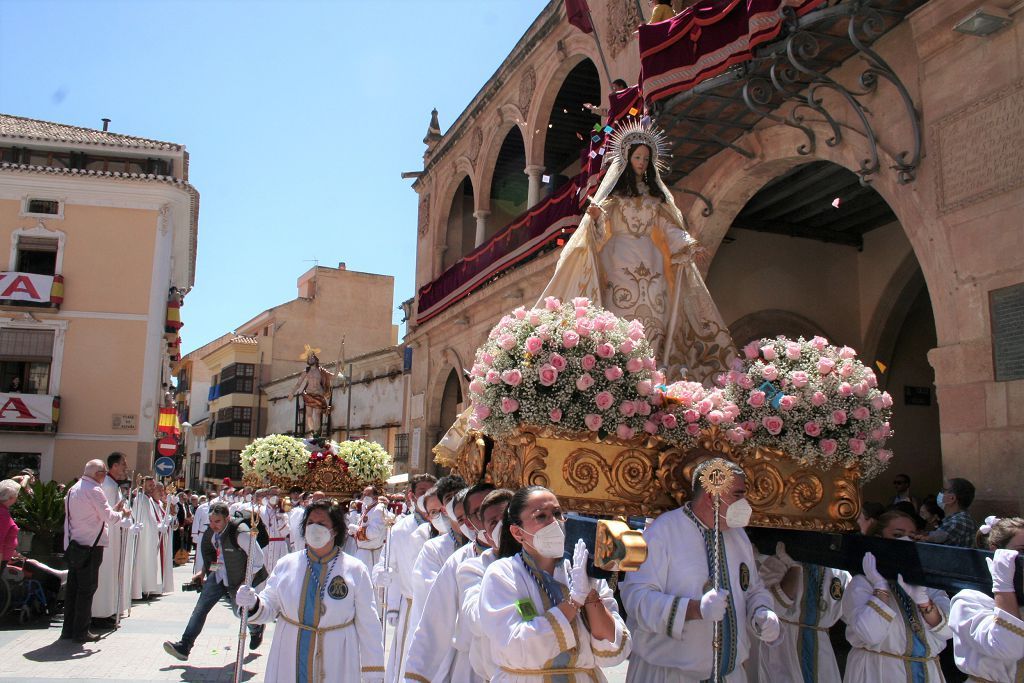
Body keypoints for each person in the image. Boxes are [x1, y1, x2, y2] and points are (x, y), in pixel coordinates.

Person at [537, 118, 735, 383]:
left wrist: (687, 242)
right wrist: (596, 217)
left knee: (655, 309)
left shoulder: (655, 199)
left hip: (651, 260)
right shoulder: (614, 197)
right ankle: (620, 369)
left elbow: (666, 226)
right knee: (620, 307)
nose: (642, 162)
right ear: (627, 158)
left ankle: (651, 369)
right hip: (619, 258)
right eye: (638, 157)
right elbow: (600, 231)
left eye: (646, 158)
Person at [621, 458, 780, 682]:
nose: (744, 502)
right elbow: (636, 599)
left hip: (729, 675)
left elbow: (753, 589)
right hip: (669, 675)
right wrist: (694, 609)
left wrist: (762, 611)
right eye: (737, 495)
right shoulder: (664, 531)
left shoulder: (739, 536)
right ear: (710, 497)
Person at [478, 485, 631, 681]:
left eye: (558, 513)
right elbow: (515, 645)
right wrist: (574, 602)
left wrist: (590, 592)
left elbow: (614, 650)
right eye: (541, 516)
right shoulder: (502, 574)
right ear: (517, 533)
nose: (554, 523)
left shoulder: (580, 570)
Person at [235, 500, 385, 682]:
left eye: (321, 524)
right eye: (310, 523)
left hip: (337, 658)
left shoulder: (355, 569)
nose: (314, 528)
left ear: (335, 530)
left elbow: (369, 624)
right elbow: (269, 607)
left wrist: (373, 672)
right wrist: (252, 603)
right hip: (290, 655)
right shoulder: (286, 565)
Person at [842, 510, 952, 681]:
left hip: (927, 670)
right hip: (880, 671)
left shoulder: (926, 584)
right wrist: (880, 588)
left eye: (912, 536)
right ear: (879, 539)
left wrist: (923, 602)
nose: (906, 541)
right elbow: (870, 634)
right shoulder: (862, 584)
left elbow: (948, 631)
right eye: (898, 535)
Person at [404, 482, 495, 682]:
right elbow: (434, 622)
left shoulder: (528, 555)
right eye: (476, 514)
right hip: (470, 667)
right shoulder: (459, 560)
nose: (487, 519)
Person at [163, 502, 266, 661]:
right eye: (211, 521)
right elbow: (214, 556)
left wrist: (246, 581)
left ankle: (256, 628)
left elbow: (258, 559)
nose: (213, 525)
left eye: (217, 521)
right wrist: (202, 572)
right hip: (218, 574)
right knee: (200, 608)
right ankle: (184, 646)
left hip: (238, 579)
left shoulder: (240, 533)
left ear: (227, 518)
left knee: (239, 612)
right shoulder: (211, 532)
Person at [372, 472, 436, 683]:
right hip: (412, 605)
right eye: (422, 492)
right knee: (408, 658)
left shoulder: (445, 526)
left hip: (439, 606)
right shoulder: (400, 529)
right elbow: (386, 562)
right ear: (411, 496)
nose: (427, 496)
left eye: (431, 492)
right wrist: (382, 575)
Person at [757, 542, 850, 683]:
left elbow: (855, 618)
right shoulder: (779, 561)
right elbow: (775, 607)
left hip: (822, 652)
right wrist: (794, 567)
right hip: (784, 646)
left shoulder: (839, 572)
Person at [63, 459, 131, 642]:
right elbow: (108, 517)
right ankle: (81, 632)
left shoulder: (74, 489)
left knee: (73, 589)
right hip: (91, 545)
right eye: (103, 473)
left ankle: (68, 630)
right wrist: (122, 514)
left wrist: (112, 511)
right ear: (99, 474)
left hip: (75, 544)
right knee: (86, 590)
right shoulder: (94, 490)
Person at [950, 516, 1024, 681]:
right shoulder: (968, 600)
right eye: (1022, 550)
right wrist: (1003, 586)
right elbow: (1007, 647)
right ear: (995, 551)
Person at [459, 488, 513, 680]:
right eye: (494, 523)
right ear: (487, 535)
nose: (503, 527)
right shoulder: (473, 569)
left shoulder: (545, 561)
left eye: (507, 518)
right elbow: (477, 621)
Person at [92, 452, 135, 625]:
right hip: (108, 537)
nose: (125, 467)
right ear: (114, 466)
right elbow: (108, 512)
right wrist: (121, 518)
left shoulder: (112, 484)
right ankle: (100, 613)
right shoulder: (108, 485)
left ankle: (108, 610)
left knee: (111, 573)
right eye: (123, 464)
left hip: (114, 536)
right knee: (105, 573)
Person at [0, 479, 66, 587]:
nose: (17, 498)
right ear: (11, 497)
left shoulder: (3, 511)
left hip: (9, 556)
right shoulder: (2, 513)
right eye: (16, 495)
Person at [922, 477, 977, 547]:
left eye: (943, 490)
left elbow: (928, 541)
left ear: (952, 498)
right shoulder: (957, 519)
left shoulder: (958, 521)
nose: (940, 493)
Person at [351, 485, 387, 568]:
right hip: (364, 552)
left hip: (370, 556)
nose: (365, 497)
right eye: (364, 494)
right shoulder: (368, 508)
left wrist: (357, 529)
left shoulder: (378, 510)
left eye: (368, 494)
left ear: (375, 496)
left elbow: (373, 533)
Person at [260, 489, 291, 574]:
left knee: (279, 572)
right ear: (267, 496)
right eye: (272, 494)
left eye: (277, 494)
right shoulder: (260, 510)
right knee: (263, 574)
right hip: (264, 545)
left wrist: (279, 519)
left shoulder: (283, 513)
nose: (274, 496)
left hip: (279, 546)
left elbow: (285, 533)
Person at [191, 492, 212, 572]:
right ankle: (199, 574)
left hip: (215, 535)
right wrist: (195, 535)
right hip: (203, 534)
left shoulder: (219, 507)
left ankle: (213, 575)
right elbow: (196, 520)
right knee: (200, 555)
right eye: (211, 497)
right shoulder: (202, 508)